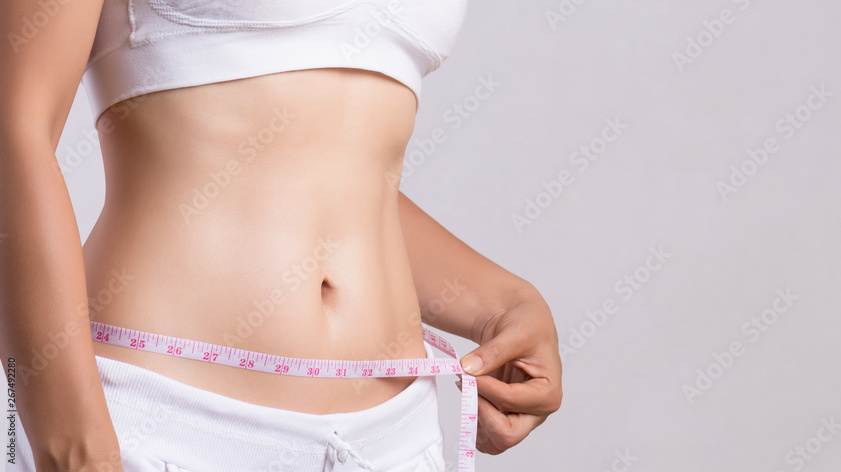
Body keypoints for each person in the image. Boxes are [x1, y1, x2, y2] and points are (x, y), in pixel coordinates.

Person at [0, 0, 562, 470]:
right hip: (159, 427)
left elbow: (320, 173)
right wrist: (72, 444)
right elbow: (14, 130)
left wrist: (502, 303)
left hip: (397, 439)